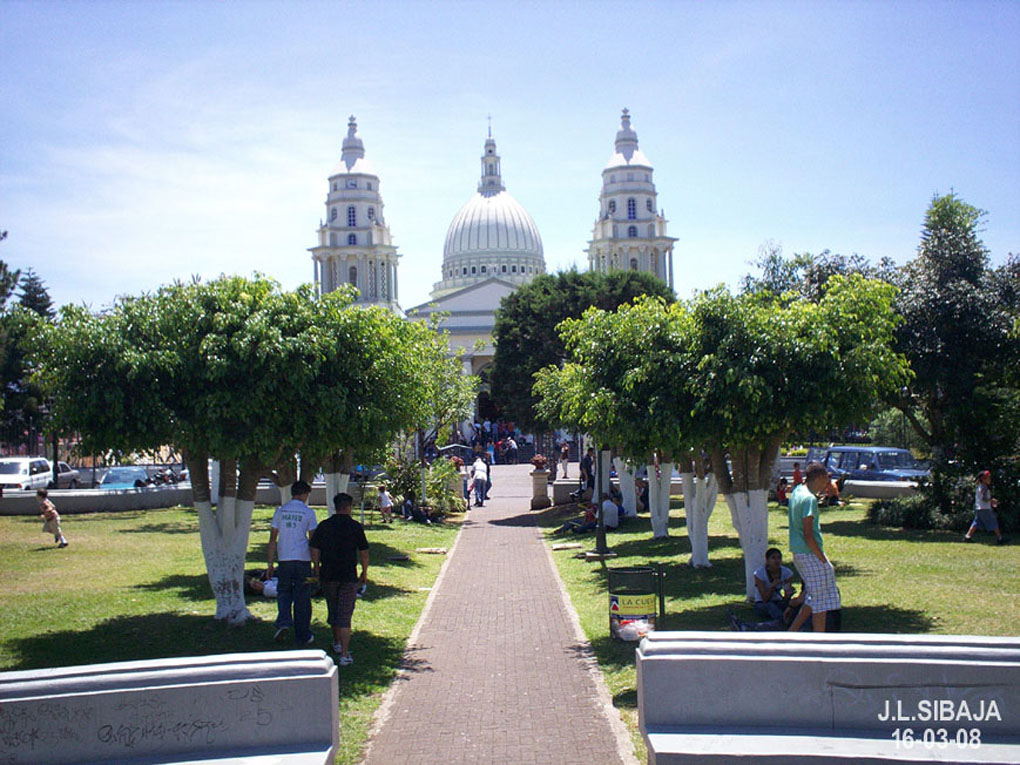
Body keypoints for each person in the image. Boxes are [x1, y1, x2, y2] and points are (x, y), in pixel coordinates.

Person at [310, 492, 369, 666]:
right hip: (348, 576)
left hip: (328, 574)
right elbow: (364, 552)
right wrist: (364, 572)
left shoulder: (325, 525)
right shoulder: (355, 527)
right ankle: (344, 653)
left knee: (333, 609)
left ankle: (336, 642)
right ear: (349, 507)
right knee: (344, 615)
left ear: (335, 507)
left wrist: (316, 567)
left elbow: (314, 548)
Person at [787, 462, 840, 632]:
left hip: (799, 552)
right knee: (821, 602)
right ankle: (819, 640)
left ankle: (791, 633)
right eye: (826, 480)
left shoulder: (797, 491)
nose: (827, 484)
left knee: (814, 596)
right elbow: (808, 534)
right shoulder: (809, 499)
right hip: (809, 553)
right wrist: (822, 557)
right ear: (820, 477)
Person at [266, 480, 317, 645]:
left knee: (283, 592)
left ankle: (284, 622)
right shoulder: (308, 513)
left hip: (284, 559)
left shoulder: (280, 511)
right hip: (303, 560)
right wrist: (316, 565)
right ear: (303, 494)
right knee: (303, 596)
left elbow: (273, 538)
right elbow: (313, 541)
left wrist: (270, 563)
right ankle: (303, 633)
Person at [963, 470, 1008, 544]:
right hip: (985, 508)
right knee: (993, 522)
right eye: (988, 478)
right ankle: (1000, 539)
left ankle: (967, 537)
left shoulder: (980, 486)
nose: (990, 479)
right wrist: (992, 500)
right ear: (983, 479)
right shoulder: (984, 487)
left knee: (976, 523)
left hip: (979, 508)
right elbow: (984, 498)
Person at [753, 548, 795, 622]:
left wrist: (788, 595)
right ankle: (783, 621)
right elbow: (765, 599)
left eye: (779, 558)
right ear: (767, 560)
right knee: (770, 606)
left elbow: (785, 599)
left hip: (778, 601)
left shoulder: (787, 573)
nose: (777, 561)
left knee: (793, 604)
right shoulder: (759, 574)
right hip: (762, 604)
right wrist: (772, 586)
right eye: (773, 558)